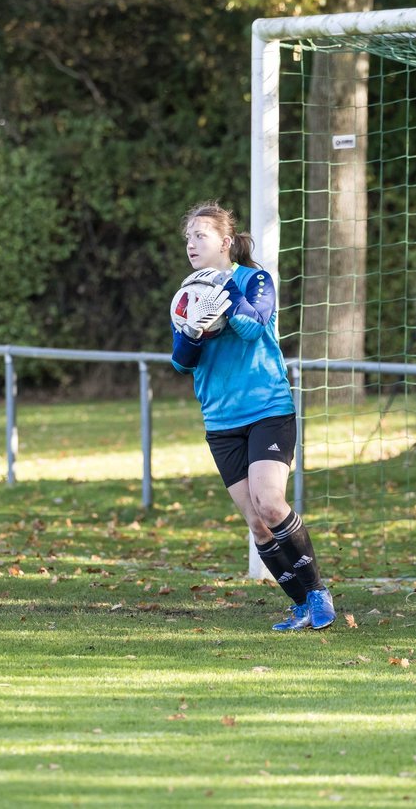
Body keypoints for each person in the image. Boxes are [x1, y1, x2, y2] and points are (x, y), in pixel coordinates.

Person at [170, 201, 335, 631]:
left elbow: (252, 326)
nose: (191, 244)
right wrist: (192, 332)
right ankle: (301, 605)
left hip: (267, 410)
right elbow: (181, 362)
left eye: (200, 236)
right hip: (221, 422)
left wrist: (223, 293)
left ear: (225, 242)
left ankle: (319, 593)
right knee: (258, 526)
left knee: (271, 503)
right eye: (188, 238)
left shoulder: (254, 280)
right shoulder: (187, 294)